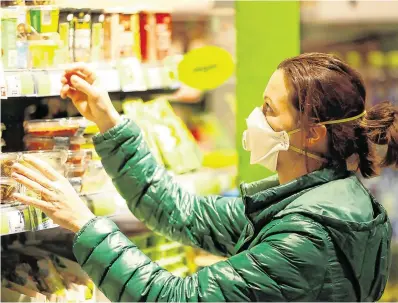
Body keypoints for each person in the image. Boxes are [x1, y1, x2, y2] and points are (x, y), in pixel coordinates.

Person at [11, 53, 395, 302]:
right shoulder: (319, 202)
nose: (255, 118)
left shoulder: (304, 238)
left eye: (269, 110)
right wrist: (109, 123)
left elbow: (176, 298)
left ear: (313, 132)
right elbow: (182, 213)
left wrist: (85, 224)